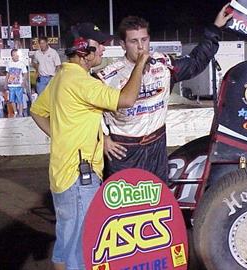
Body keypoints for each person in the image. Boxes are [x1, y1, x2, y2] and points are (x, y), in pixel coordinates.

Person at [30, 22, 149, 270]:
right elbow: (126, 99)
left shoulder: (62, 76)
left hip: (63, 173)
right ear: (84, 49)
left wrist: (62, 136)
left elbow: (37, 111)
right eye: (100, 45)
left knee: (65, 244)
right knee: (82, 250)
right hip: (79, 178)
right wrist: (140, 64)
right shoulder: (82, 83)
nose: (104, 50)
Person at [97, 4, 233, 182]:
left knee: (157, 202)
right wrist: (102, 138)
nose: (140, 47)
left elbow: (196, 62)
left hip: (156, 146)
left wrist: (214, 28)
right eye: (133, 41)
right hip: (124, 150)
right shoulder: (107, 77)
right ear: (123, 44)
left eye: (144, 40)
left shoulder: (163, 65)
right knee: (124, 207)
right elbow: (87, 111)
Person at [5, 49, 28, 117]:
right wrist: (5, 83)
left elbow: (25, 73)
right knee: (12, 100)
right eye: (14, 55)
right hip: (11, 85)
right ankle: (15, 112)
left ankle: (20, 113)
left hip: (19, 85)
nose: (16, 56)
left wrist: (23, 82)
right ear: (12, 56)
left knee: (19, 99)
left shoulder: (22, 64)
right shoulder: (9, 63)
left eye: (17, 54)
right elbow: (7, 74)